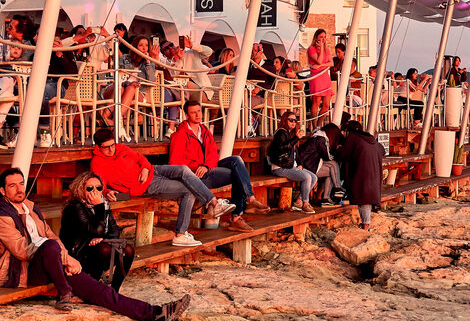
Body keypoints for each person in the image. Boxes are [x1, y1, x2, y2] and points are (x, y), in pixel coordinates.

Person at [0, 168, 190, 321]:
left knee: (100, 291)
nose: (19, 188)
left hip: (54, 262)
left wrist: (64, 257)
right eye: (12, 186)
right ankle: (65, 292)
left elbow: (52, 236)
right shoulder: (1, 216)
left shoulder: (31, 208)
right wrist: (66, 259)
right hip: (25, 271)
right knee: (49, 247)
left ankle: (156, 314)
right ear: (3, 191)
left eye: (21, 183)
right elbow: (23, 250)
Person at [90, 127, 234, 247]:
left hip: (153, 170)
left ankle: (213, 203)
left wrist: (146, 168)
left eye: (112, 145)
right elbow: (100, 185)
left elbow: (141, 159)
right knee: (188, 191)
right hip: (146, 186)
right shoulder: (97, 163)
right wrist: (108, 191)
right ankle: (180, 234)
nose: (111, 149)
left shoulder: (121, 148)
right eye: (106, 147)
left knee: (183, 169)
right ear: (98, 147)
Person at [168, 100, 269, 233]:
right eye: (193, 113)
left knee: (236, 160)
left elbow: (213, 154)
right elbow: (174, 162)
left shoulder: (204, 130)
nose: (198, 115)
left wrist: (206, 165)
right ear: (186, 115)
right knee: (237, 175)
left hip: (208, 168)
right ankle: (236, 218)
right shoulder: (180, 135)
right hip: (195, 176)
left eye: (199, 111)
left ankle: (250, 198)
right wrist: (198, 167)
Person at [59, 171, 134, 290]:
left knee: (128, 250)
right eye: (89, 188)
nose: (95, 192)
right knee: (104, 249)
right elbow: (96, 231)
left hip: (95, 250)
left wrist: (103, 239)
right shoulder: (75, 206)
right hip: (77, 254)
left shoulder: (103, 204)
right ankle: (91, 288)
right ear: (80, 189)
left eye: (98, 188)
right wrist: (99, 206)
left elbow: (114, 230)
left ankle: (114, 290)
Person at [336, 119, 385, 230]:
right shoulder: (370, 138)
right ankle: (366, 224)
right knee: (366, 200)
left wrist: (338, 149)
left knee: (363, 200)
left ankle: (365, 225)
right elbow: (382, 150)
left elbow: (343, 154)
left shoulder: (353, 138)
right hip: (373, 174)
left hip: (361, 173)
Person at [268, 110, 317, 214]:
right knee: (307, 177)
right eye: (291, 120)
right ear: (285, 120)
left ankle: (299, 201)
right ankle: (305, 203)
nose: (294, 122)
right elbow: (282, 148)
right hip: (280, 167)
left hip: (289, 166)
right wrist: (296, 138)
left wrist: (299, 164)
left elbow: (295, 153)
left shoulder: (289, 134)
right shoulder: (281, 133)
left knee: (314, 177)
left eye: (295, 120)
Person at [297, 122, 345, 205]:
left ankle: (327, 198)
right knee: (333, 164)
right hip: (308, 166)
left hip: (310, 164)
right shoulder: (321, 139)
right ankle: (337, 188)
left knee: (332, 171)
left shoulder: (318, 137)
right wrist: (337, 151)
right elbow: (327, 156)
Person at [306, 29, 334, 124]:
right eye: (321, 37)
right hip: (316, 77)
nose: (323, 39)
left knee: (326, 104)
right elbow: (319, 60)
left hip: (325, 77)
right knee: (316, 102)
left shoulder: (327, 49)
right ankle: (314, 126)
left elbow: (331, 63)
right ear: (316, 38)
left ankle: (319, 124)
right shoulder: (311, 49)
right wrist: (321, 48)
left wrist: (321, 66)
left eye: (324, 37)